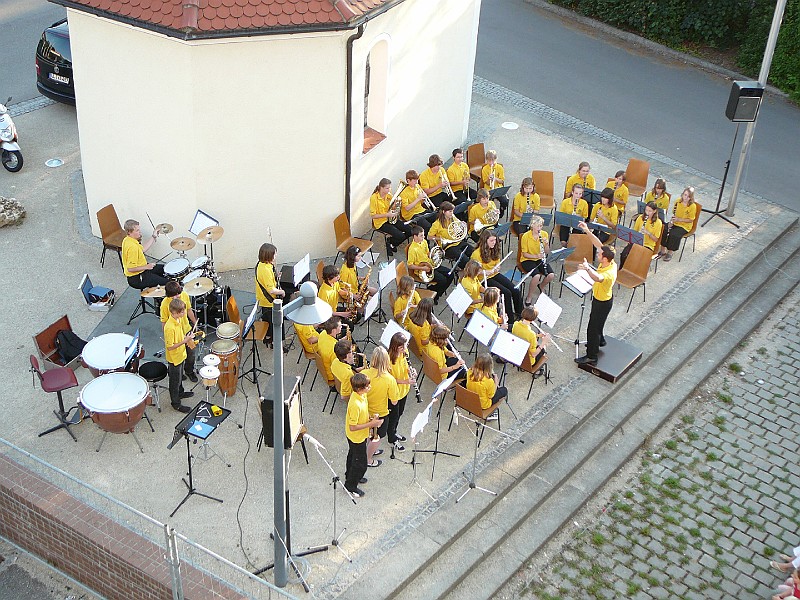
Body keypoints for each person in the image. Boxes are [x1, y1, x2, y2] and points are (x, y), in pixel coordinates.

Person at [574, 221, 617, 366]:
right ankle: (601, 340)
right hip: (603, 299)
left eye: (599, 254)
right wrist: (587, 231)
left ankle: (591, 355)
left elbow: (598, 278)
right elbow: (598, 243)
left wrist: (587, 268)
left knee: (592, 328)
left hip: (602, 302)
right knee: (599, 323)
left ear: (605, 258)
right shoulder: (609, 260)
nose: (597, 254)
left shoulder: (609, 272)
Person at [471, 229, 522, 322]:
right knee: (506, 293)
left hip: (494, 274)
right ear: (484, 241)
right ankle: (510, 320)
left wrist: (496, 268)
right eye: (491, 240)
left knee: (515, 290)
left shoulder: (494, 249)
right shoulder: (476, 254)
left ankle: (520, 314)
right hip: (483, 279)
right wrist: (486, 272)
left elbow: (497, 263)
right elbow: (475, 270)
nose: (494, 243)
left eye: (495, 240)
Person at [344, 373, 382, 498]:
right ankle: (351, 485)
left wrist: (371, 419)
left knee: (353, 456)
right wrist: (372, 423)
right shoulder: (355, 404)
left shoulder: (362, 396)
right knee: (361, 463)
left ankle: (350, 475)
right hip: (356, 437)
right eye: (367, 386)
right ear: (359, 388)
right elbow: (353, 427)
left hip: (359, 435)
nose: (369, 387)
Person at [364, 346, 400, 465]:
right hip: (380, 414)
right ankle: (368, 459)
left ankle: (370, 450)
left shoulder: (364, 373)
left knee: (369, 435)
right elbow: (394, 401)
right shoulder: (389, 379)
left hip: (365, 412)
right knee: (376, 438)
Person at [159, 281, 198, 383]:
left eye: (177, 295)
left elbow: (189, 310)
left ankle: (189, 371)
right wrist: (167, 336)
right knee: (176, 357)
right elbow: (164, 321)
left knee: (191, 353)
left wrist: (195, 322)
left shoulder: (184, 295)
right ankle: (177, 374)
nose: (176, 297)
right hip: (176, 334)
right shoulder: (164, 304)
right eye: (173, 296)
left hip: (186, 329)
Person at [163, 298, 195, 413]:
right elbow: (170, 346)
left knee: (180, 377)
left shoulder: (178, 320)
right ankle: (176, 403)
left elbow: (181, 335)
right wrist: (185, 340)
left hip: (181, 354)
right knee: (174, 381)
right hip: (174, 358)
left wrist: (188, 336)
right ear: (174, 312)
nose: (184, 313)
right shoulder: (169, 328)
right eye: (181, 312)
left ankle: (181, 393)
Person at [407, 225, 454, 300]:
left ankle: (435, 292)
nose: (423, 237)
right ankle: (434, 295)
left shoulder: (424, 242)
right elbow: (410, 265)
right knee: (443, 280)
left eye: (423, 235)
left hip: (430, 265)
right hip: (422, 270)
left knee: (451, 274)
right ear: (415, 237)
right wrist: (422, 268)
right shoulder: (412, 249)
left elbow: (427, 253)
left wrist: (435, 254)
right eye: (421, 236)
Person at [122, 219, 168, 289]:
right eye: (137, 231)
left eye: (139, 229)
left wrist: (153, 236)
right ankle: (159, 298)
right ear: (129, 232)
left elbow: (142, 250)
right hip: (137, 277)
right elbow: (130, 269)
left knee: (165, 269)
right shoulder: (132, 247)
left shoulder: (128, 239)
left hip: (143, 268)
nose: (140, 232)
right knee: (168, 283)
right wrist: (147, 267)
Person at [370, 177, 411, 256]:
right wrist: (387, 214)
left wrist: (396, 205)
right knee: (400, 236)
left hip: (390, 219)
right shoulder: (374, 198)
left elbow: (392, 206)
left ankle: (392, 243)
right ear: (381, 188)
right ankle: (390, 243)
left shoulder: (388, 195)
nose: (389, 190)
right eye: (387, 188)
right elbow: (373, 216)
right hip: (380, 223)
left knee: (409, 230)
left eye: (390, 188)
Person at [519, 215, 555, 305]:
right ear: (532, 225)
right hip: (527, 259)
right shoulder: (526, 236)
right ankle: (529, 296)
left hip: (539, 258)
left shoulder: (544, 234)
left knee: (551, 275)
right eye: (538, 226)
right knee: (536, 276)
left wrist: (546, 245)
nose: (540, 228)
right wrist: (536, 256)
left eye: (541, 226)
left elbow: (547, 252)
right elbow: (524, 253)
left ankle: (541, 285)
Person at [388, 332, 414, 449]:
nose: (405, 349)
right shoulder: (389, 360)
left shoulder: (405, 353)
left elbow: (407, 366)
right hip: (395, 393)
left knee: (400, 413)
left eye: (405, 346)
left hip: (404, 390)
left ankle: (394, 432)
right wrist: (406, 381)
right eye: (402, 347)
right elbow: (390, 380)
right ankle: (391, 437)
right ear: (395, 347)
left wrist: (411, 371)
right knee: (394, 416)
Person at [255, 242, 285, 345]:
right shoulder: (265, 270)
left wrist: (277, 277)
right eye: (274, 254)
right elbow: (271, 290)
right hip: (268, 302)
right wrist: (282, 291)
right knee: (274, 324)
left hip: (264, 300)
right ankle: (275, 342)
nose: (275, 256)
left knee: (268, 321)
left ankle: (269, 337)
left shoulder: (263, 264)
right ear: (268, 255)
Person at [428, 201, 471, 270]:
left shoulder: (453, 218)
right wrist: (440, 239)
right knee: (464, 259)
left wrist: (462, 225)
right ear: (443, 212)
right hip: (448, 247)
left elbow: (459, 225)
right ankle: (467, 271)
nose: (452, 213)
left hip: (457, 242)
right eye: (450, 211)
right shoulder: (437, 224)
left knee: (473, 252)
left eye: (452, 211)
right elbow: (429, 237)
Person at [619, 201, 663, 269]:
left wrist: (647, 232)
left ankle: (632, 272)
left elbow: (656, 239)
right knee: (624, 254)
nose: (647, 213)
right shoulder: (640, 218)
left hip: (648, 245)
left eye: (650, 211)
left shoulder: (658, 223)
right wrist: (632, 238)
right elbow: (634, 231)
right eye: (646, 210)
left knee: (635, 258)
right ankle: (621, 270)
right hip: (637, 242)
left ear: (654, 211)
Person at [659, 186, 698, 262]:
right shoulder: (677, 201)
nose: (686, 197)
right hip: (675, 222)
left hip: (685, 226)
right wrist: (671, 222)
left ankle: (670, 251)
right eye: (685, 195)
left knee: (674, 234)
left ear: (691, 198)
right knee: (664, 228)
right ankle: (663, 249)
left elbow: (691, 220)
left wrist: (679, 219)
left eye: (688, 196)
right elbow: (674, 214)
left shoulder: (692, 206)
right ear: (682, 194)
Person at [466, 354, 507, 420]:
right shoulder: (488, 381)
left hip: (472, 399)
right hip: (483, 405)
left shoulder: (470, 371)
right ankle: (491, 412)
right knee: (504, 390)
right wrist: (496, 382)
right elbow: (491, 395)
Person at [340, 245, 377, 318]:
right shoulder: (344, 270)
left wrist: (361, 278)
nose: (361, 258)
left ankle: (364, 310)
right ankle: (360, 313)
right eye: (359, 256)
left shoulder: (352, 264)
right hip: (350, 293)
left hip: (356, 287)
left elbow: (352, 277)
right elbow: (341, 288)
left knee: (375, 291)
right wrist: (354, 296)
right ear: (353, 257)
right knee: (367, 299)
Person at [558, 183, 589, 247]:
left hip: (577, 224)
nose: (578, 196)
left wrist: (578, 216)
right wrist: (569, 216)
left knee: (574, 243)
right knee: (563, 242)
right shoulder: (565, 202)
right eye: (576, 193)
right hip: (566, 223)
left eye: (580, 194)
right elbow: (561, 216)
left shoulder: (584, 203)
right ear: (572, 192)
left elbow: (584, 218)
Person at [332, 339, 363, 403]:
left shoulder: (335, 361)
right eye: (351, 352)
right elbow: (344, 396)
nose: (353, 353)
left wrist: (357, 370)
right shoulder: (348, 374)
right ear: (347, 356)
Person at [480, 150, 508, 218]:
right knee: (488, 203)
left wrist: (495, 178)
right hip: (488, 189)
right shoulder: (485, 169)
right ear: (486, 160)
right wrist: (489, 179)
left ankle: (501, 211)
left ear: (496, 159)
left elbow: (502, 181)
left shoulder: (499, 167)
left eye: (493, 160)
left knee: (505, 201)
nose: (491, 163)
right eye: (489, 161)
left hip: (498, 188)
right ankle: (490, 215)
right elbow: (485, 182)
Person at [317, 317, 342, 384]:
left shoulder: (323, 333)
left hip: (325, 366)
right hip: (332, 376)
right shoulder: (334, 350)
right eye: (340, 326)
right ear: (334, 330)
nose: (341, 327)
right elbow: (338, 369)